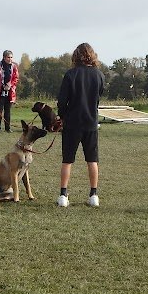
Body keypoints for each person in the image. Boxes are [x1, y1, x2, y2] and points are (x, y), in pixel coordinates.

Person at [56, 42, 105, 207]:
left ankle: (63, 195)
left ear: (76, 56)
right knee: (92, 160)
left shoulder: (70, 74)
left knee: (67, 160)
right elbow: (98, 98)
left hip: (72, 123)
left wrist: (62, 116)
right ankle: (93, 195)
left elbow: (62, 101)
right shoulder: (99, 75)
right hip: (91, 122)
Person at [0, 50, 18, 132]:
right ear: (4, 57)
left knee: (8, 110)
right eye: (8, 57)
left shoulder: (14, 67)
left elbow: (16, 78)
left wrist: (10, 84)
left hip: (10, 92)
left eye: (11, 57)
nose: (10, 59)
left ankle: (8, 128)